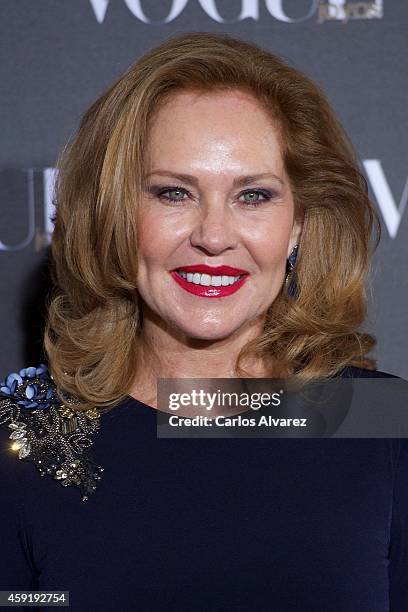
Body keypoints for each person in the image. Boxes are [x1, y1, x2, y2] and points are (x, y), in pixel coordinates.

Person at [0, 31, 407, 611]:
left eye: (254, 196)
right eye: (173, 193)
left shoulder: (382, 424)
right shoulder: (25, 435)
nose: (213, 237)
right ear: (115, 213)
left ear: (298, 225)